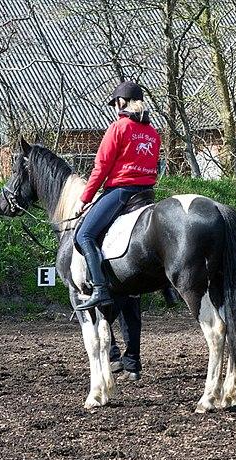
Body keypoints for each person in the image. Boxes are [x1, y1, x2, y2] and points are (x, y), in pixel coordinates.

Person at [73, 80, 161, 311]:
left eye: (115, 103)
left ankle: (100, 290)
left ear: (121, 102)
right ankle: (167, 287)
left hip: (122, 192)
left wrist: (84, 199)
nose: (115, 107)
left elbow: (101, 167)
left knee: (84, 235)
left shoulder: (118, 127)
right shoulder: (153, 133)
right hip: (147, 194)